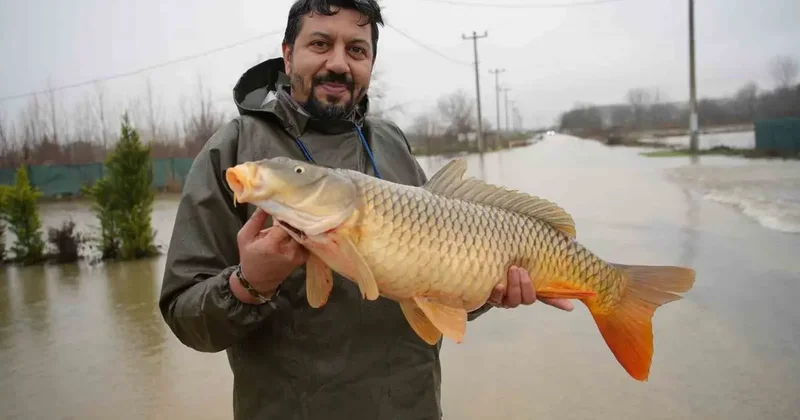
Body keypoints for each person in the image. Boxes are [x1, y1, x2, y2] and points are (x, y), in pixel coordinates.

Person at [159, 0, 572, 418]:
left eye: (357, 50)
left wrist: (487, 291)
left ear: (371, 62)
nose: (338, 63)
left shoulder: (390, 142)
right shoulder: (235, 152)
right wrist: (249, 285)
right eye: (320, 44)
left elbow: (436, 282)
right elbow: (183, 314)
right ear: (288, 53)